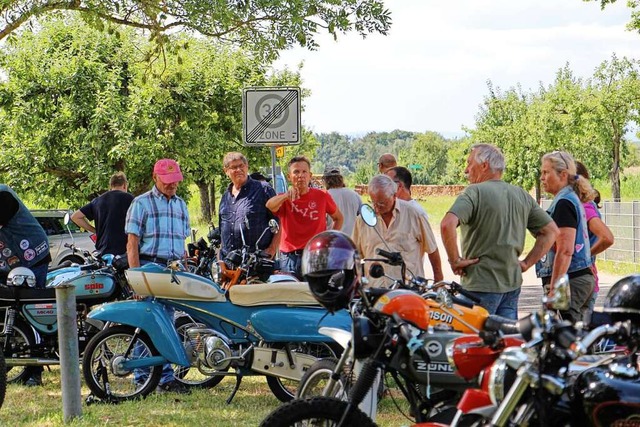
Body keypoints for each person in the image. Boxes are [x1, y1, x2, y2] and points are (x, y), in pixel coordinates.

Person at [441, 144, 558, 319]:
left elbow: (446, 224)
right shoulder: (521, 194)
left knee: (472, 342)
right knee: (505, 342)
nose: (466, 170)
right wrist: (526, 263)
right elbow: (551, 231)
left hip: (479, 286)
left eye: (469, 163)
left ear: (484, 165)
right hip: (511, 286)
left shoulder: (474, 192)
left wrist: (455, 260)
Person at [125, 158, 190, 394]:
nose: (172, 185)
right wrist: (136, 277)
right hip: (149, 266)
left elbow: (182, 243)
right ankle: (145, 377)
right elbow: (132, 244)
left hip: (173, 270)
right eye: (167, 181)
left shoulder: (181, 205)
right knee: (149, 324)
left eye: (175, 181)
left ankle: (163, 378)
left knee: (167, 324)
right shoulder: (141, 204)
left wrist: (185, 268)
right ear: (155, 178)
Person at [0, 184, 52, 386]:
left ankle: (34, 372)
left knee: (32, 311)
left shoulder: (4, 195)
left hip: (33, 258)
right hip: (12, 261)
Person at [536, 150, 595, 324]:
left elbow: (566, 250)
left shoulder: (564, 203)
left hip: (571, 280)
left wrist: (555, 289)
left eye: (546, 172)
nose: (542, 177)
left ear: (562, 175)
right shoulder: (569, 198)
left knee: (564, 337)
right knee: (576, 335)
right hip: (578, 277)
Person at [353, 174, 443, 287]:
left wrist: (439, 283)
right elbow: (355, 255)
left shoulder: (414, 214)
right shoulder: (363, 220)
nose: (376, 208)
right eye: (373, 202)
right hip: (375, 290)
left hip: (407, 290)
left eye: (381, 203)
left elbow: (432, 250)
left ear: (394, 195)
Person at [266, 156, 343, 277]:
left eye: (304, 172)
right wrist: (286, 195)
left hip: (315, 255)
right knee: (290, 294)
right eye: (296, 172)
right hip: (289, 258)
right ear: (289, 176)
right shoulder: (283, 198)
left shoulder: (322, 196)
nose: (300, 175)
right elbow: (270, 205)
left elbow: (338, 218)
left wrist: (328, 240)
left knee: (313, 294)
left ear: (310, 175)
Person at [386, 166, 443, 280]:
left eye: (387, 183)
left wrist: (438, 280)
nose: (383, 187)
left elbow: (432, 249)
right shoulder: (382, 212)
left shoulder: (416, 212)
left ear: (399, 186)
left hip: (408, 285)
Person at [219, 152, 279, 258]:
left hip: (256, 262)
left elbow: (280, 222)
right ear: (226, 171)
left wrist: (272, 249)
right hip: (229, 263)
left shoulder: (263, 189)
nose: (238, 170)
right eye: (234, 167)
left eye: (241, 166)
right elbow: (222, 229)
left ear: (247, 167)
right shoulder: (225, 197)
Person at [575, 161, 614, 324]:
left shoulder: (585, 206)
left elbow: (607, 237)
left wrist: (585, 255)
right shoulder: (580, 204)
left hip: (583, 277)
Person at [71, 172, 133, 256]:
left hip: (103, 250)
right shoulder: (130, 199)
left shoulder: (98, 201)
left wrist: (95, 230)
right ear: (125, 185)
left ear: (111, 186)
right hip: (124, 251)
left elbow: (75, 217)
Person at [322, 167, 362, 236]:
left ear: (325, 180)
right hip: (351, 240)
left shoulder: (325, 196)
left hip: (332, 239)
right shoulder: (354, 195)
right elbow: (362, 217)